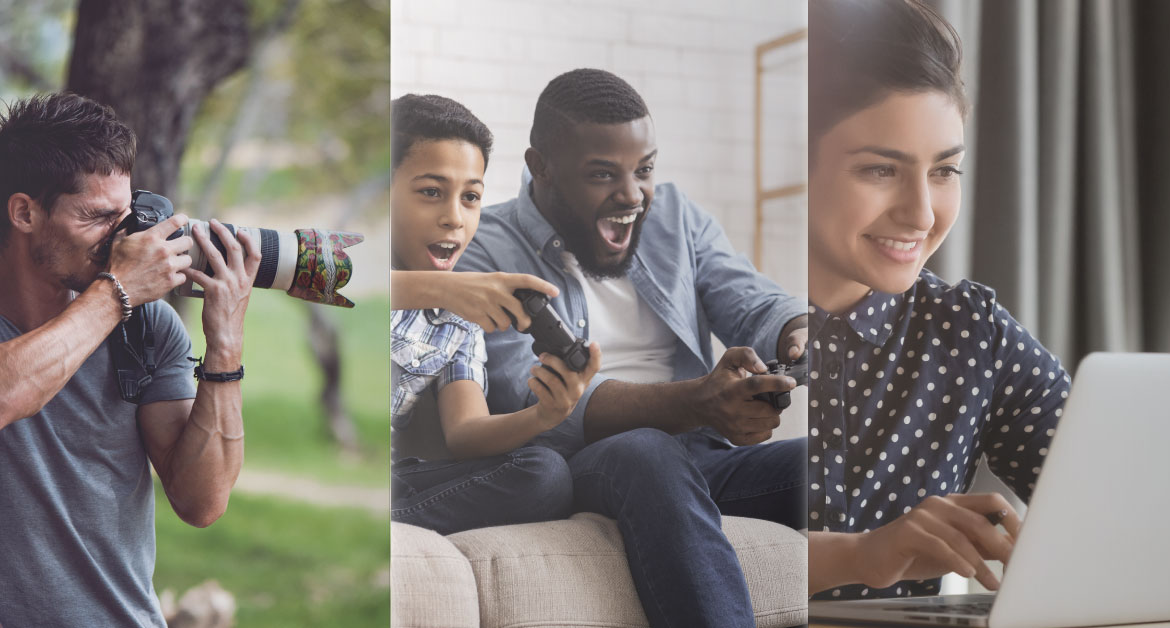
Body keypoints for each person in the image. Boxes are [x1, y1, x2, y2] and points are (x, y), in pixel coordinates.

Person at [456, 68, 807, 628]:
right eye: (603, 175)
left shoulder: (675, 216)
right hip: (592, 465)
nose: (632, 196)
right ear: (540, 166)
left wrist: (796, 329)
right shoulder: (484, 250)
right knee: (647, 449)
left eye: (644, 170)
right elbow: (523, 398)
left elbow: (749, 297)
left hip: (701, 458)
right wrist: (696, 402)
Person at [805, 0, 1072, 599]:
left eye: (945, 170)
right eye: (879, 170)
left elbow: (1112, 494)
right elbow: (637, 552)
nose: (922, 213)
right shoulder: (700, 318)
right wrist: (859, 556)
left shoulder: (971, 334)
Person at [0, 93, 259, 626]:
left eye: (123, 215)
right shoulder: (118, 300)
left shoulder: (144, 325)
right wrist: (117, 291)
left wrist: (225, 341)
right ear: (25, 212)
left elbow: (202, 501)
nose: (120, 237)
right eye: (96, 217)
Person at [389, 93, 602, 534]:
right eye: (431, 192)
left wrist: (545, 415)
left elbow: (466, 433)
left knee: (544, 473)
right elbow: (332, 278)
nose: (454, 218)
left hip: (397, 480)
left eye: (470, 197)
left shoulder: (460, 317)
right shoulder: (347, 258)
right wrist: (445, 288)